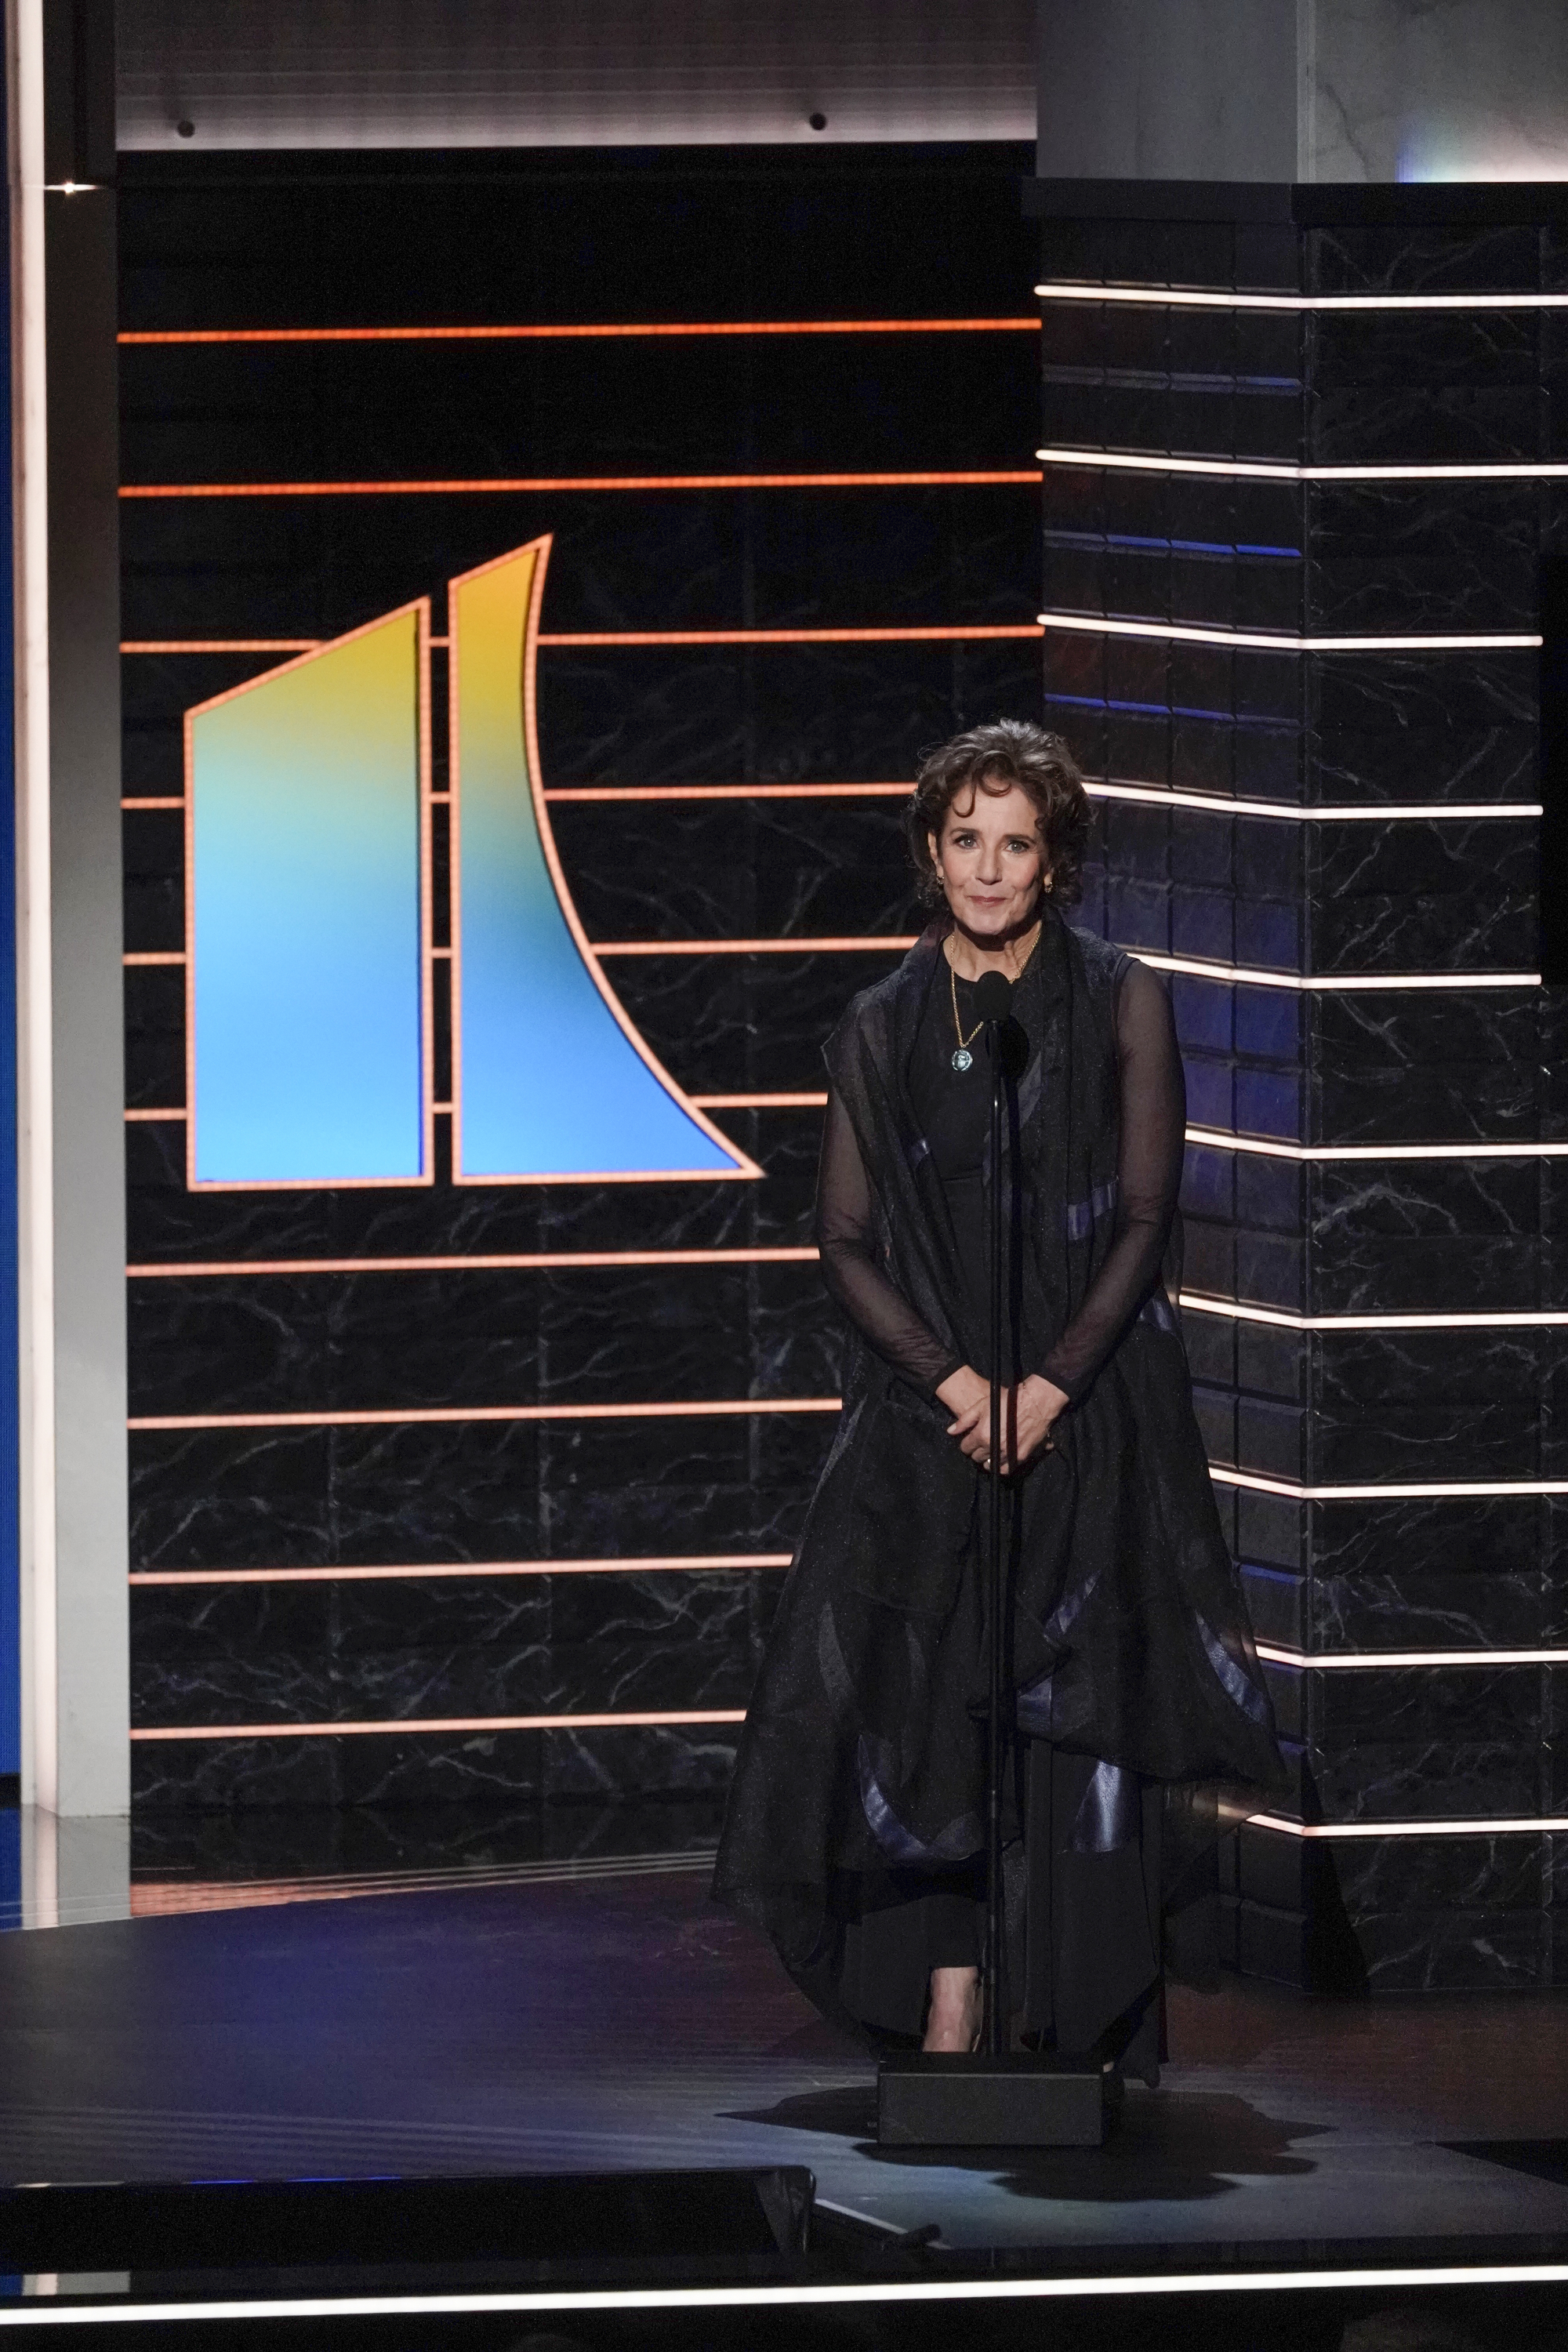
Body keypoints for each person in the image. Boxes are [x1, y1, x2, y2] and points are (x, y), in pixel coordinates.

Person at [713, 720, 1286, 2071]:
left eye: (1015, 842)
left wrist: (1053, 1385)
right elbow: (842, 1240)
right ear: (931, 850)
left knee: (1073, 1706)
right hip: (935, 1417)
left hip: (1085, 1409)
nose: (988, 865)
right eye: (966, 839)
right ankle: (950, 1983)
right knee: (926, 1704)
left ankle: (1065, 1996)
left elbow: (1148, 1212)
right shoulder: (883, 1024)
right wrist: (961, 1383)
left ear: (1055, 860)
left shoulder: (1118, 998)